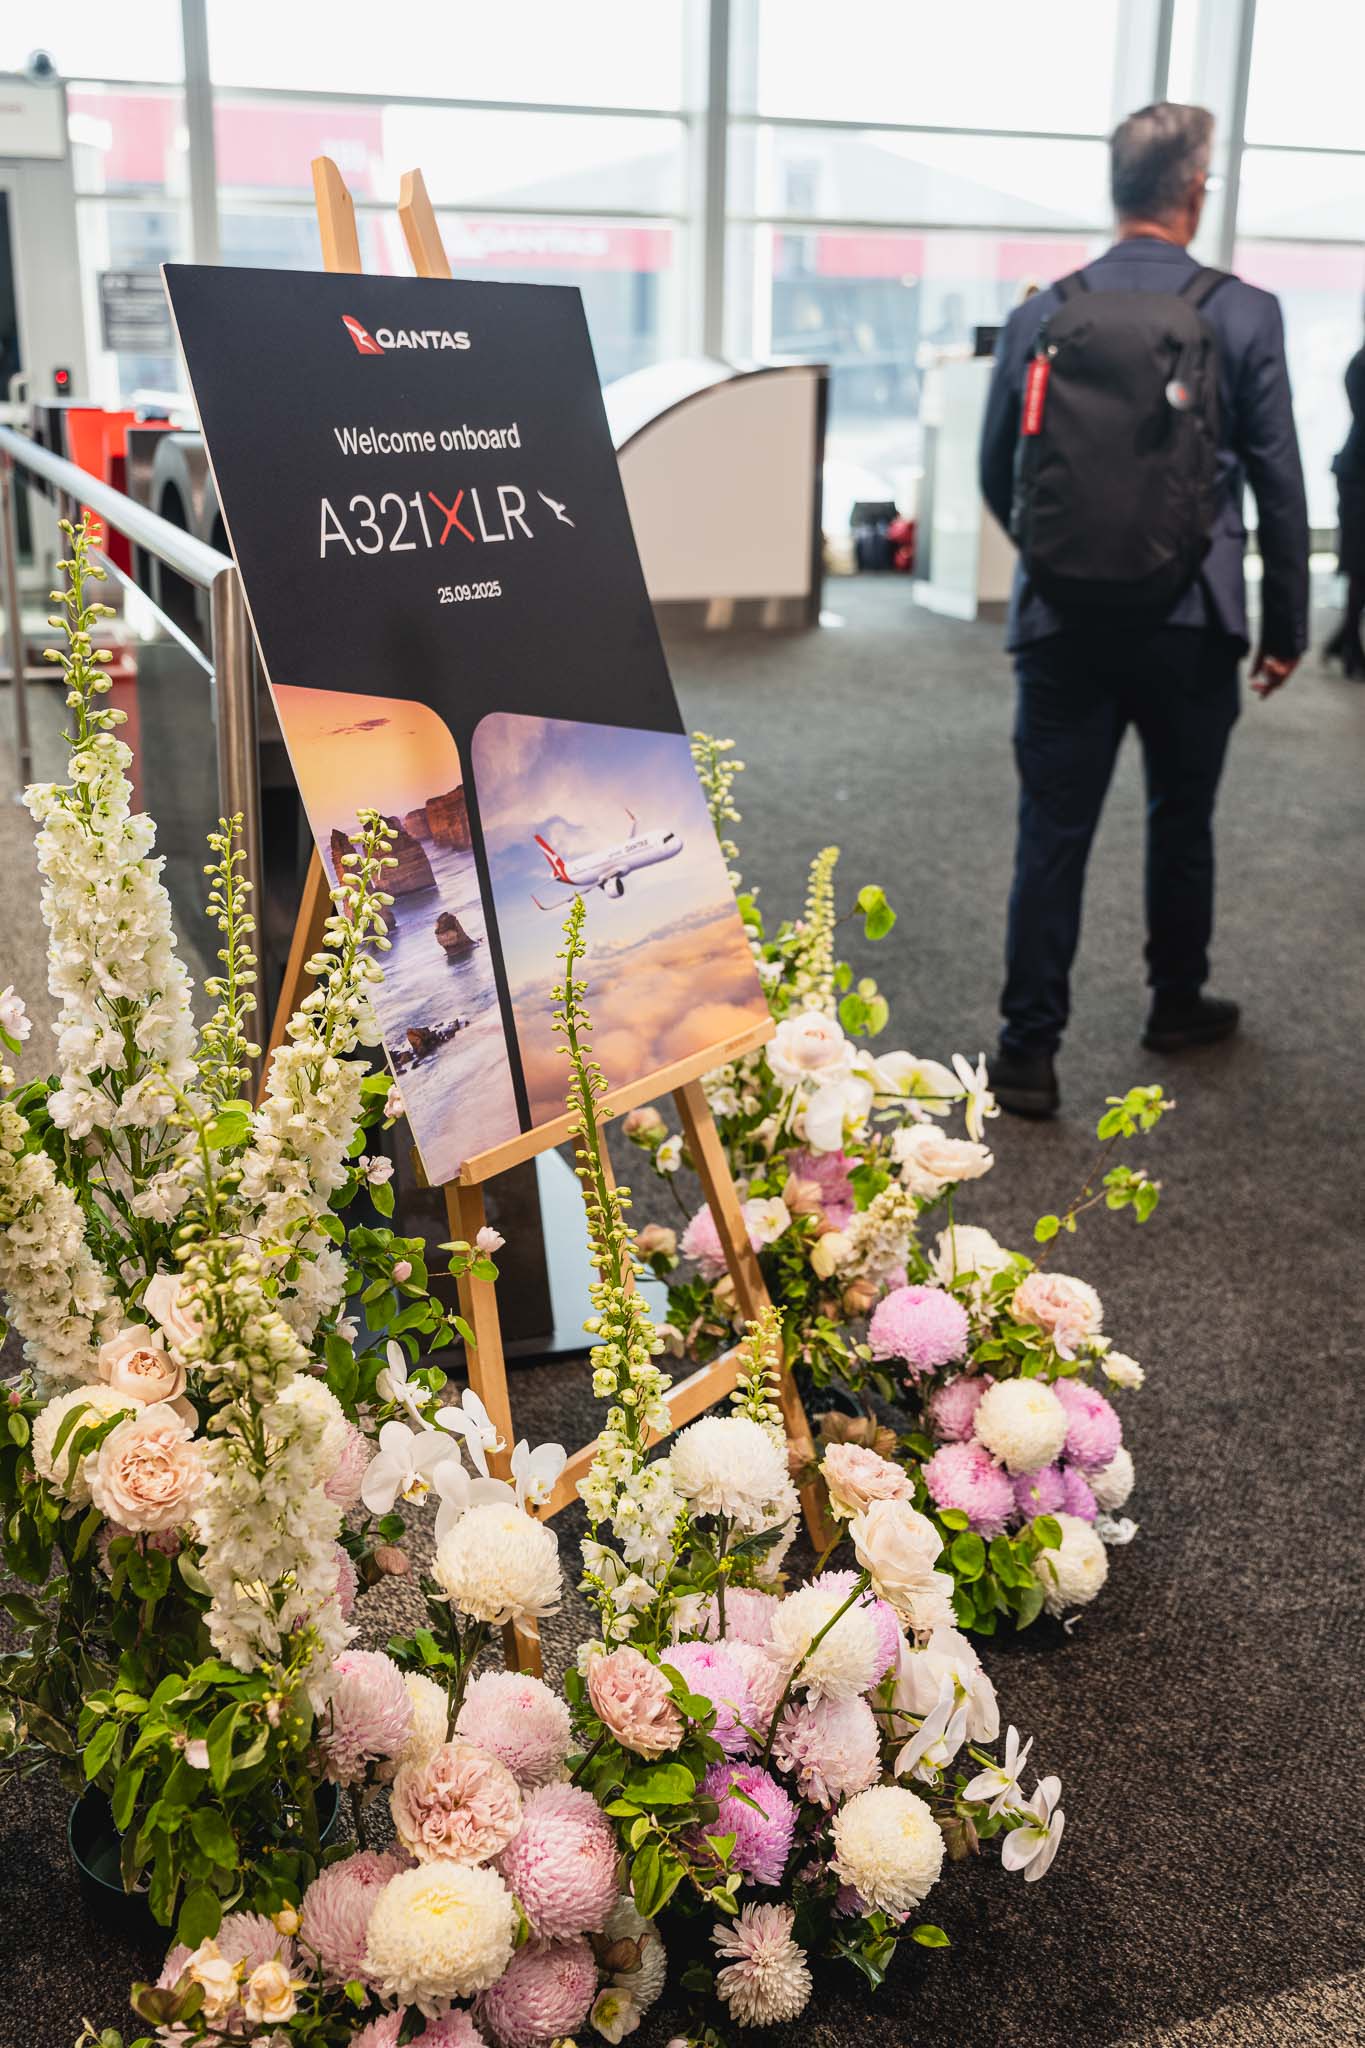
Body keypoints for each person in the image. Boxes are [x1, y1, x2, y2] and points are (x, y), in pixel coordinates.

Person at [978, 103, 1308, 1120]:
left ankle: (1027, 1051)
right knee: (1182, 815)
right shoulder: (1245, 310)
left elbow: (1002, 469)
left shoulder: (1045, 311)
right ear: (1195, 190)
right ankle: (1174, 1000)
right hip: (1192, 620)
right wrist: (1287, 625)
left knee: (1053, 829)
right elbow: (1280, 482)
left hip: (1061, 621)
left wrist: (1057, 560)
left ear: (1117, 190)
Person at [1325, 335, 1365, 678]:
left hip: (1356, 473)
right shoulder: (1360, 364)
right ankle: (1349, 641)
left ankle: (1346, 638)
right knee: (1359, 566)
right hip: (1358, 478)